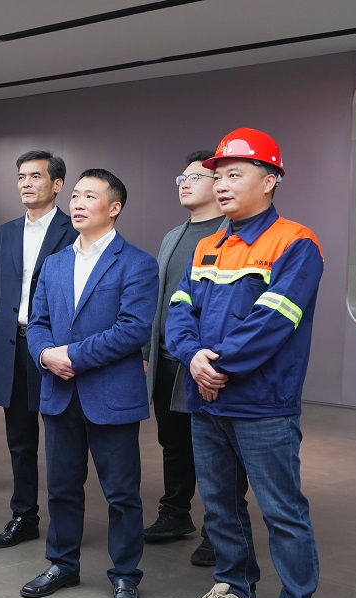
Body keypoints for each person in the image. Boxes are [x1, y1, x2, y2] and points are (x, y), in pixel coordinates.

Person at [166, 129, 324, 598]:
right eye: (219, 175)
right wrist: (193, 357)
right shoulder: (207, 245)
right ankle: (235, 591)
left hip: (263, 405)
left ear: (270, 180)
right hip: (207, 401)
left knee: (283, 511)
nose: (222, 184)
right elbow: (179, 310)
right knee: (220, 506)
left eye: (235, 174)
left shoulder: (295, 242)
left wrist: (217, 366)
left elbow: (275, 319)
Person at [22, 168, 158, 598]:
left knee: (122, 494)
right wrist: (46, 355)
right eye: (76, 195)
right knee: (62, 487)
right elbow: (37, 322)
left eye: (89, 196)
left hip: (111, 395)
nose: (77, 203)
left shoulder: (137, 263)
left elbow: (132, 329)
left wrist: (73, 357)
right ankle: (62, 564)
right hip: (59, 392)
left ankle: (126, 576)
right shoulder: (56, 262)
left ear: (114, 208)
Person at [0, 151, 78, 549]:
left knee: (64, 442)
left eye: (35, 176)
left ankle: (66, 525)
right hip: (13, 346)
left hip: (55, 348)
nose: (25, 183)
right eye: (21, 176)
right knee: (20, 441)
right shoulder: (5, 233)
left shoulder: (74, 230)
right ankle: (23, 517)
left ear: (57, 184)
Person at [143, 150, 227, 567]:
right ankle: (175, 513)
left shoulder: (232, 233)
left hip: (204, 362)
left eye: (195, 177)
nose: (185, 183)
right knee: (172, 443)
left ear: (219, 183)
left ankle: (219, 530)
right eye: (182, 177)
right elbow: (159, 300)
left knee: (214, 450)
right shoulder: (173, 236)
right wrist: (148, 352)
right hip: (166, 359)